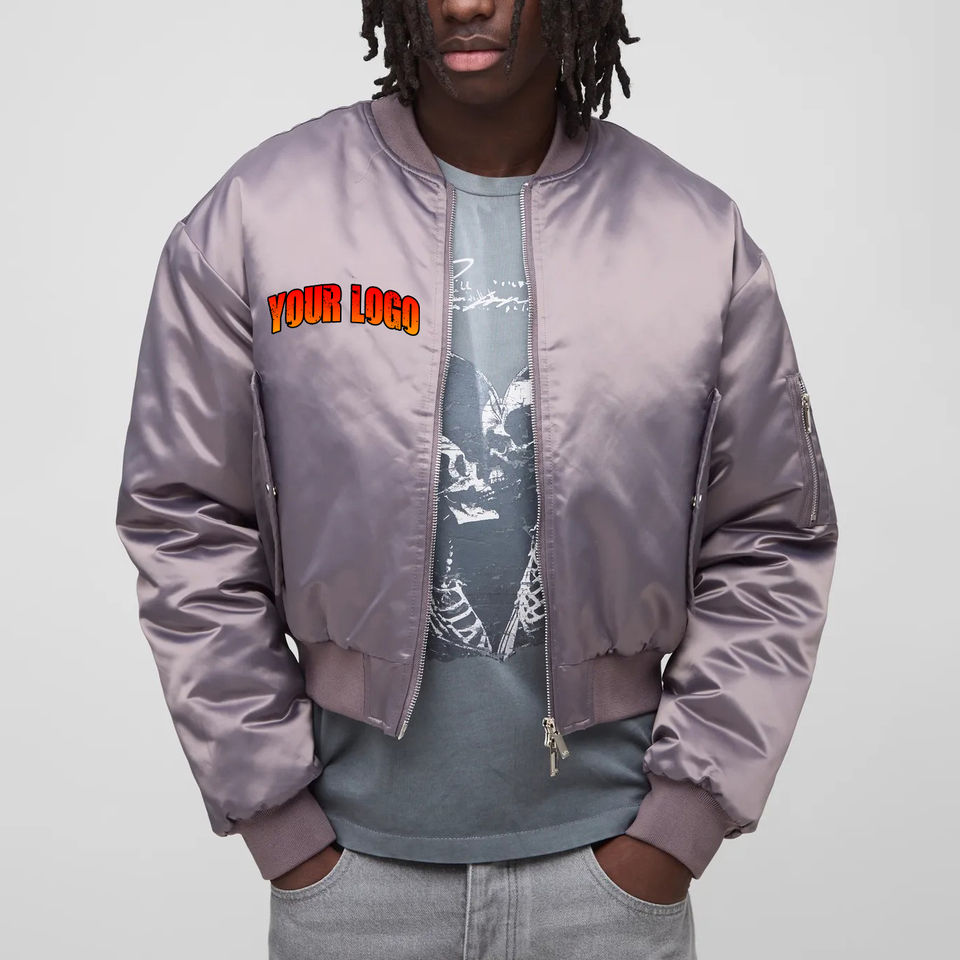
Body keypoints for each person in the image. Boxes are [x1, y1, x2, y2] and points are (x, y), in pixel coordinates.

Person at [115, 1, 839, 957]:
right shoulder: (261, 217)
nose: (465, 2)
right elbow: (185, 518)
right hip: (352, 885)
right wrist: (283, 828)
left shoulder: (695, 238)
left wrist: (676, 831)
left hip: (610, 887)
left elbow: (771, 536)